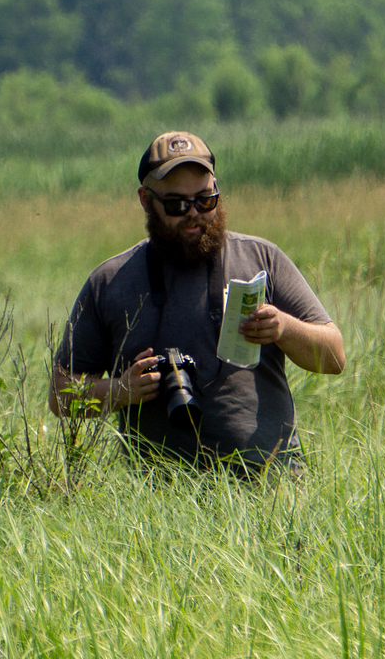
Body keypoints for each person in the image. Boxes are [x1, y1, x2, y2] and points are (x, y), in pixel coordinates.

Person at [49, 131, 345, 474]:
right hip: (161, 500)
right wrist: (121, 390)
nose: (194, 214)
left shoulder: (262, 259)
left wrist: (283, 327)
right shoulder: (110, 282)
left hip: (271, 488)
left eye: (206, 200)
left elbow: (334, 356)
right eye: (176, 205)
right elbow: (60, 396)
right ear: (146, 200)